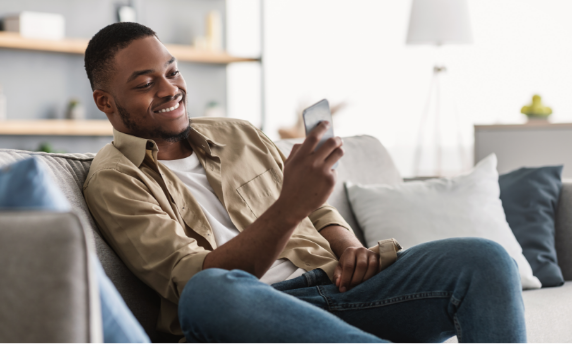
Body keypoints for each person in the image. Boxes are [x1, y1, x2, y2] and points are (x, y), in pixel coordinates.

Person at [83, 22, 526, 344]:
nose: (169, 89)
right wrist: (288, 208)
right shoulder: (114, 179)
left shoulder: (239, 134)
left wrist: (349, 247)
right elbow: (192, 280)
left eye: (172, 71)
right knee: (208, 292)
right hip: (252, 314)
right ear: (106, 102)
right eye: (145, 83)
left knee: (484, 259)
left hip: (339, 289)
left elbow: (316, 207)